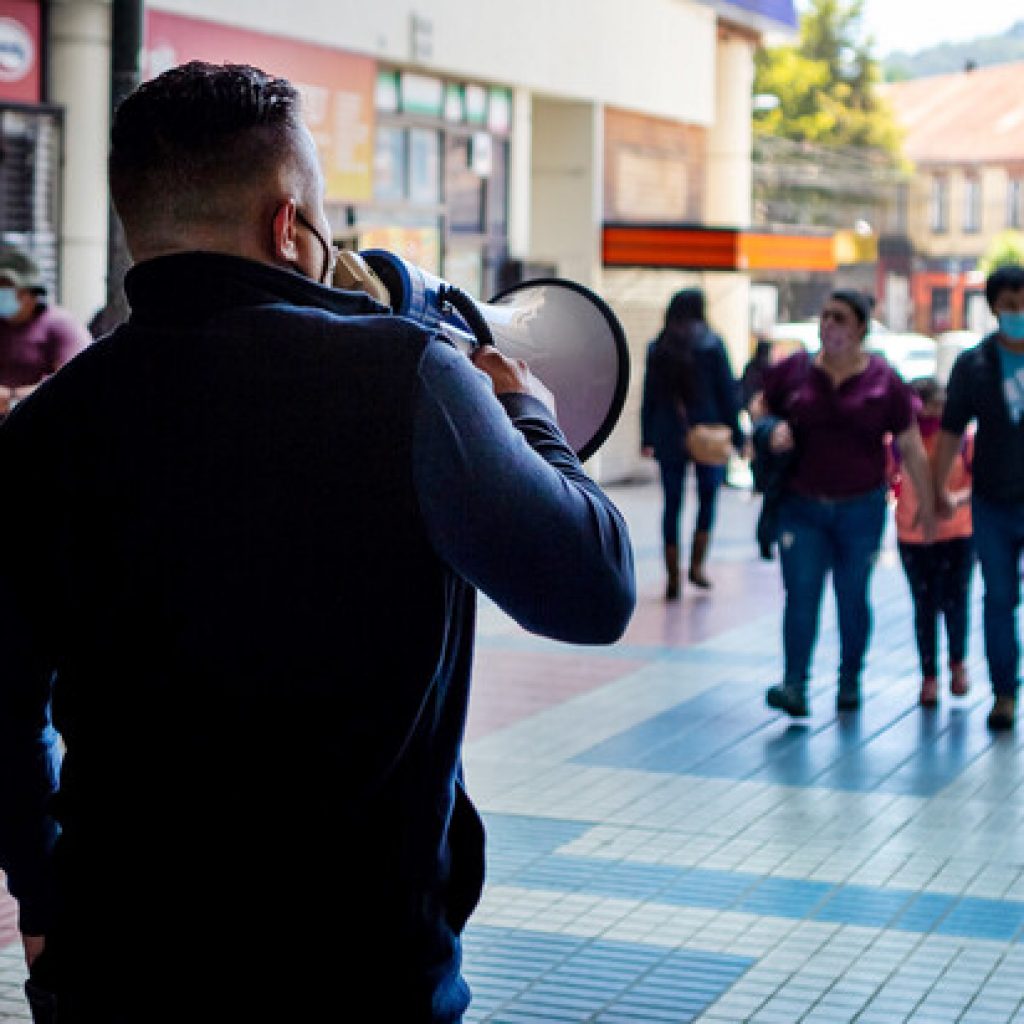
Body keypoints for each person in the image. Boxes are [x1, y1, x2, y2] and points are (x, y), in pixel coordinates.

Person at [0, 62, 636, 1023]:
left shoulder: (47, 426)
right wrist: (530, 417)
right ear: (286, 223)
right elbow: (596, 591)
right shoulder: (414, 384)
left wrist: (43, 897)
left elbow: (3, 713)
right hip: (361, 970)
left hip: (111, 965)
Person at [756, 289, 936, 718]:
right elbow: (760, 409)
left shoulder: (883, 380)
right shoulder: (795, 372)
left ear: (859, 328)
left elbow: (909, 444)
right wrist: (769, 430)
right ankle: (794, 684)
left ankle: (849, 679)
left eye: (839, 318)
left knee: (852, 597)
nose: (828, 326)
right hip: (802, 505)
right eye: (825, 317)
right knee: (801, 596)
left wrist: (927, 504)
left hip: (861, 508)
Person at [933, 264, 1024, 732]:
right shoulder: (975, 365)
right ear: (993, 308)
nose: (1018, 314)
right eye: (1010, 306)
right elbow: (950, 433)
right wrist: (937, 490)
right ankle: (1005, 692)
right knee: (999, 598)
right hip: (992, 500)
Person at [640, 288, 743, 597]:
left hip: (669, 433)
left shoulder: (659, 346)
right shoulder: (712, 344)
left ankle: (673, 578)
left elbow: (650, 396)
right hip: (707, 433)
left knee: (672, 504)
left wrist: (647, 437)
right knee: (707, 498)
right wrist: (737, 435)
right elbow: (728, 392)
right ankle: (697, 567)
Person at [889, 378, 974, 707]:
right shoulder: (899, 442)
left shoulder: (961, 441)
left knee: (955, 600)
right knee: (924, 605)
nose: (930, 412)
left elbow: (978, 481)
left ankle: (957, 663)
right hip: (913, 536)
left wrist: (956, 499)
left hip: (957, 532)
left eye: (937, 406)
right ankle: (929, 676)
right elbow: (888, 476)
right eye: (924, 405)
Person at [0, 245, 91, 417]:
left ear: (32, 293)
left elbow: (77, 382)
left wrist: (13, 398)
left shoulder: (60, 325)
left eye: (8, 288)